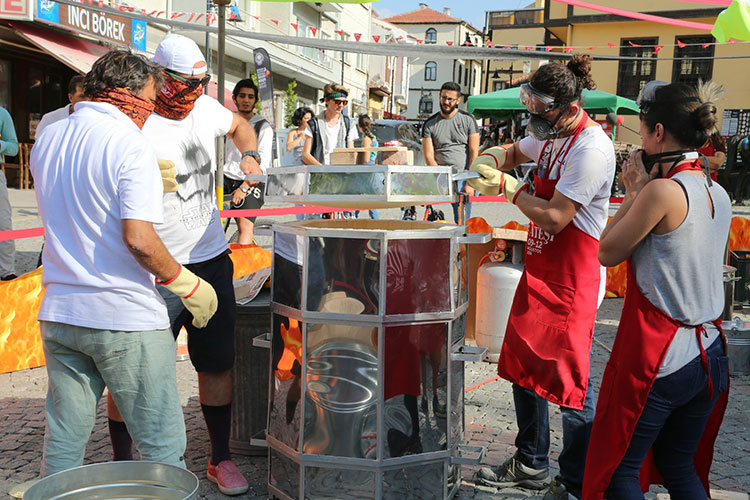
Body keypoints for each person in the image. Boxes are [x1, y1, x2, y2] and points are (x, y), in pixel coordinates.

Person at [29, 49, 218, 476]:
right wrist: (186, 283)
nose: (153, 108)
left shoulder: (51, 135)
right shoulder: (130, 143)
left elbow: (77, 204)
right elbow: (140, 239)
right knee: (162, 449)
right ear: (130, 93)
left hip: (61, 313)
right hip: (124, 316)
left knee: (62, 444)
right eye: (151, 96)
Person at [106, 34, 262, 496]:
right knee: (131, 372)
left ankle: (220, 458)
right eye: (184, 86)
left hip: (210, 258)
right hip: (149, 266)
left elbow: (240, 126)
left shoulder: (204, 107)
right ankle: (121, 463)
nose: (193, 95)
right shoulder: (133, 117)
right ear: (158, 78)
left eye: (201, 84)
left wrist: (248, 153)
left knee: (216, 362)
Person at [470, 55, 615, 500]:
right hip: (541, 273)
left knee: (573, 386)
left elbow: (554, 217)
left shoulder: (591, 148)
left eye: (540, 109)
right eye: (529, 105)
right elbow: (515, 151)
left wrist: (510, 189)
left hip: (574, 282)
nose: (532, 117)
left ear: (569, 107)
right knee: (523, 368)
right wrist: (493, 157)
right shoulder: (550, 135)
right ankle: (532, 462)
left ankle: (576, 481)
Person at [583, 81, 731, 500]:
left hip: (665, 358)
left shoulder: (662, 191)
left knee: (619, 472)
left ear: (659, 133)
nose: (641, 142)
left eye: (643, 132)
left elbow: (606, 252)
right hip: (709, 354)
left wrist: (632, 191)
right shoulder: (716, 191)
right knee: (679, 466)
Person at [421, 81, 480, 224]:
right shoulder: (430, 124)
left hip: (463, 175)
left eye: (450, 99)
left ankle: (460, 243)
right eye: (443, 98)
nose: (445, 102)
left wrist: (471, 181)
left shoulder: (468, 120)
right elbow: (429, 156)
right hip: (441, 176)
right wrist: (441, 179)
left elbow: (474, 152)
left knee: (462, 219)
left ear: (458, 100)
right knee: (431, 218)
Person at [224, 79, 272, 244]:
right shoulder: (226, 122)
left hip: (252, 181)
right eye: (242, 96)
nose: (246, 100)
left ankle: (244, 268)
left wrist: (243, 188)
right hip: (224, 178)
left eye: (250, 97)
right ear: (235, 98)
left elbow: (262, 166)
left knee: (245, 227)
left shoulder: (262, 126)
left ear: (255, 101)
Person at [302, 83, 358, 166]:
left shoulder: (348, 124)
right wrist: (322, 169)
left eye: (344, 102)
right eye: (337, 102)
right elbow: (305, 155)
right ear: (326, 100)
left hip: (340, 174)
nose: (341, 105)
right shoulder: (314, 124)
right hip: (319, 174)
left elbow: (351, 152)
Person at [0, 105, 18, 281]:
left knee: (3, 222)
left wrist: (0, 145)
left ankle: (7, 271)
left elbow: (13, 148)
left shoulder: (2, 114)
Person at [354, 113, 379, 220]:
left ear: (359, 126)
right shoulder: (373, 137)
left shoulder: (366, 139)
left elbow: (366, 158)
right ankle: (375, 220)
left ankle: (353, 216)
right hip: (373, 167)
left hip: (367, 169)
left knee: (360, 194)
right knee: (368, 197)